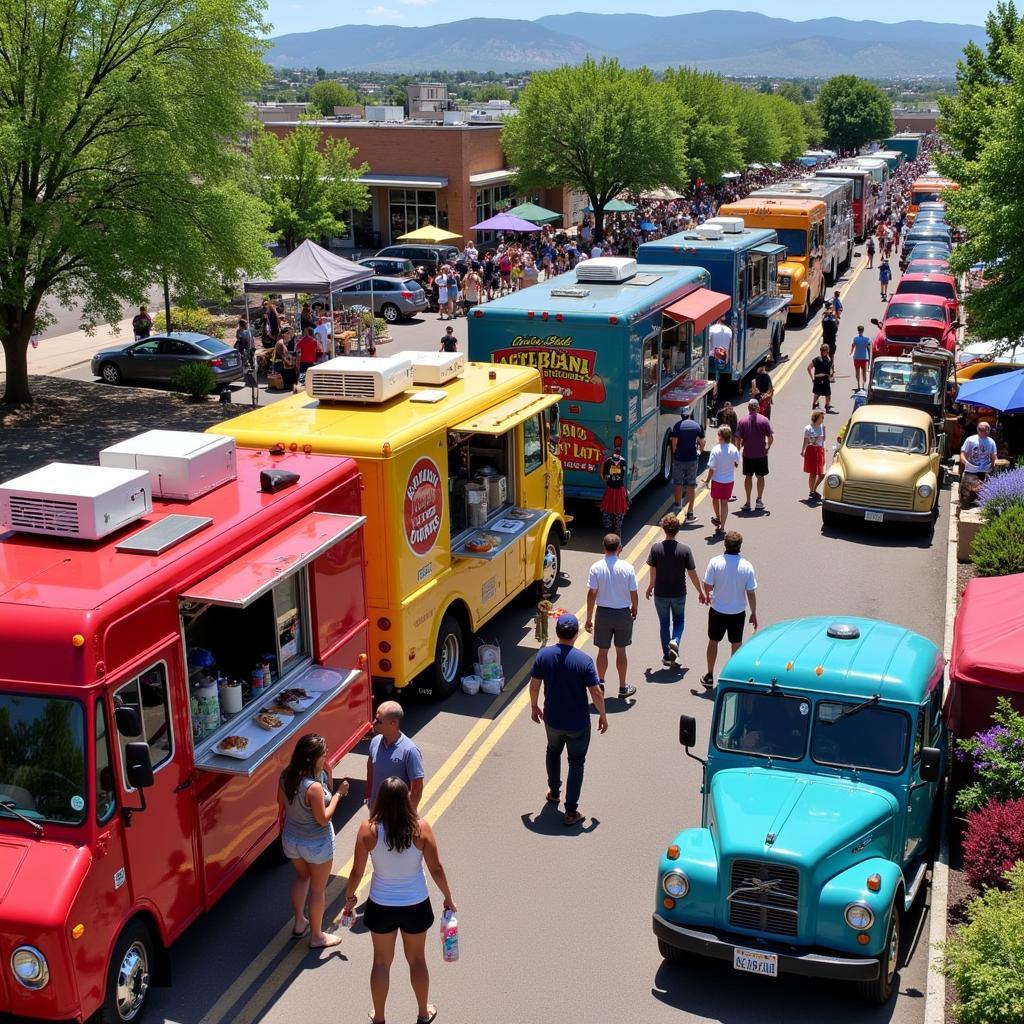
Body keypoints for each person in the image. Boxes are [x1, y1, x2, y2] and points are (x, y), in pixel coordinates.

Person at [345, 779, 455, 1024]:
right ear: (407, 799)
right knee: (417, 960)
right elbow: (436, 868)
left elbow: (356, 872)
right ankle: (423, 1013)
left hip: (381, 905)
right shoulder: (421, 828)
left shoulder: (368, 830)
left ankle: (380, 1017)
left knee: (381, 962)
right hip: (415, 904)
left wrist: (350, 899)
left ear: (380, 801)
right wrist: (448, 897)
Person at [528, 613, 608, 826]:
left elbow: (534, 685)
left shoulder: (544, 656)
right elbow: (596, 693)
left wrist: (534, 706)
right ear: (575, 634)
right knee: (576, 762)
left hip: (552, 719)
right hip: (578, 724)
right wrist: (603, 715)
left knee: (553, 752)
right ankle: (571, 811)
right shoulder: (584, 661)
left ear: (557, 632)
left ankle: (554, 792)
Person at [277, 733, 348, 948]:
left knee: (301, 877)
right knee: (318, 889)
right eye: (323, 754)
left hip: (291, 840)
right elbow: (323, 818)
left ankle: (300, 922)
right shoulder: (313, 787)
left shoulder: (285, 776)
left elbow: (280, 804)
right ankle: (317, 936)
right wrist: (338, 795)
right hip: (316, 845)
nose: (325, 757)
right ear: (311, 758)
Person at [645, 514, 706, 667]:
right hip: (679, 593)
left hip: (661, 594)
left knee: (664, 624)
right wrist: (701, 591)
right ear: (678, 530)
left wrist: (650, 586)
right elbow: (692, 573)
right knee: (679, 621)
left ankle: (666, 656)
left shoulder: (656, 548)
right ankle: (675, 641)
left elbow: (653, 570)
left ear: (663, 529)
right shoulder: (685, 550)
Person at [701, 531, 758, 690]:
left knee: (713, 641)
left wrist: (709, 595)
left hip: (717, 610)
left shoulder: (715, 562)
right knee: (736, 644)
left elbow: (707, 584)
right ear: (740, 546)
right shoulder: (747, 566)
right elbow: (751, 592)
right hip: (738, 613)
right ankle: (732, 676)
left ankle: (709, 675)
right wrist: (753, 612)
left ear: (725, 544)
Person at [584, 534, 638, 701]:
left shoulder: (596, 567)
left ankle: (600, 684)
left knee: (602, 651)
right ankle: (622, 687)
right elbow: (633, 592)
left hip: (603, 613)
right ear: (619, 548)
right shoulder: (628, 568)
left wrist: (589, 618)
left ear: (604, 548)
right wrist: (635, 608)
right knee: (621, 651)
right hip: (622, 613)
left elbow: (592, 594)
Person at [367, 701, 425, 812]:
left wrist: (410, 813)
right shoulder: (375, 742)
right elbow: (370, 768)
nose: (374, 723)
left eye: (378, 721)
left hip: (397, 816)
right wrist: (368, 796)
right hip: (376, 811)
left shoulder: (410, 750)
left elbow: (417, 787)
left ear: (393, 723)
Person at [735, 398, 774, 512]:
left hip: (748, 454)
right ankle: (759, 500)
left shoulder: (742, 421)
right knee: (760, 477)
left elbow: (737, 438)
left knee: (748, 477)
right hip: (761, 454)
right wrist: (767, 447)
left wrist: (738, 449)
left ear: (748, 408)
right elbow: (771, 438)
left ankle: (748, 502)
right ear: (758, 408)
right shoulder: (764, 420)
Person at [703, 424, 740, 537]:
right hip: (729, 481)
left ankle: (718, 517)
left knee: (715, 499)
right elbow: (737, 463)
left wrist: (707, 481)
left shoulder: (715, 450)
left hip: (717, 480)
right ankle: (722, 526)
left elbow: (711, 468)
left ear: (720, 436)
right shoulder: (734, 449)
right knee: (724, 503)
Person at [669, 408, 705, 520]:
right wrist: (700, 451)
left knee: (678, 483)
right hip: (692, 459)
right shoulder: (696, 426)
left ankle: (677, 506)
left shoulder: (677, 426)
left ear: (681, 415)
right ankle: (690, 512)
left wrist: (675, 452)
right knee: (691, 484)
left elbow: (674, 442)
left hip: (679, 459)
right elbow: (702, 442)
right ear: (689, 414)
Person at [599, 446, 629, 536]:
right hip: (620, 491)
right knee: (619, 514)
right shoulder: (623, 462)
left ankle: (609, 535)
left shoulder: (607, 462)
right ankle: (617, 535)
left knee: (607, 513)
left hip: (610, 491)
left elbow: (603, 476)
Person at [801, 409, 827, 501]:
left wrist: (824, 450)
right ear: (816, 417)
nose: (823, 418)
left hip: (820, 450)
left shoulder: (823, 427)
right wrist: (802, 450)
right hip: (811, 450)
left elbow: (824, 440)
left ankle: (813, 490)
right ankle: (812, 492)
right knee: (813, 474)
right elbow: (806, 440)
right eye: (822, 417)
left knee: (822, 473)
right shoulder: (808, 428)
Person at [808, 344, 835, 413]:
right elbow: (809, 368)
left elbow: (830, 371)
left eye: (827, 350)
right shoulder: (816, 360)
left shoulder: (828, 360)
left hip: (826, 380)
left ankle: (827, 406)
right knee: (817, 394)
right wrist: (812, 378)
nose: (827, 352)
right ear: (822, 351)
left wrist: (831, 375)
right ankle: (814, 405)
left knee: (828, 394)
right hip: (818, 380)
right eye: (825, 350)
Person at [850, 324, 872, 390]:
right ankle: (863, 385)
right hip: (864, 358)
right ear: (863, 330)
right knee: (864, 372)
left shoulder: (855, 339)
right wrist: (869, 358)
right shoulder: (867, 339)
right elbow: (868, 349)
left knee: (857, 371)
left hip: (856, 357)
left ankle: (858, 385)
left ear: (858, 331)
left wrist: (850, 353)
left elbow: (853, 346)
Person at [821, 302, 839, 368]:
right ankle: (832, 367)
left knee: (824, 353)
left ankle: (824, 366)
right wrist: (835, 317)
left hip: (826, 338)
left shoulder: (824, 321)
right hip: (832, 339)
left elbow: (822, 326)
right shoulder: (833, 321)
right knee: (832, 355)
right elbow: (836, 327)